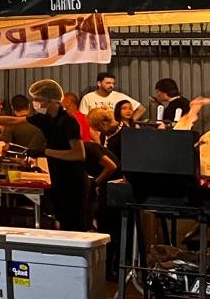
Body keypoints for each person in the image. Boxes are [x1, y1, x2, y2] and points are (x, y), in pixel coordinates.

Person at [26, 79, 87, 231]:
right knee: (62, 221)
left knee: (73, 225)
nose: (36, 103)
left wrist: (45, 152)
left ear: (50, 99)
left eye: (38, 100)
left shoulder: (68, 121)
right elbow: (16, 121)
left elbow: (79, 154)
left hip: (72, 182)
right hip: (58, 179)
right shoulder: (49, 119)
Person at [79, 71, 144, 120]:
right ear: (99, 83)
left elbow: (141, 109)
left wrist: (129, 124)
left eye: (113, 83)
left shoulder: (120, 96)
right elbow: (82, 118)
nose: (111, 86)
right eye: (108, 83)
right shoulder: (87, 98)